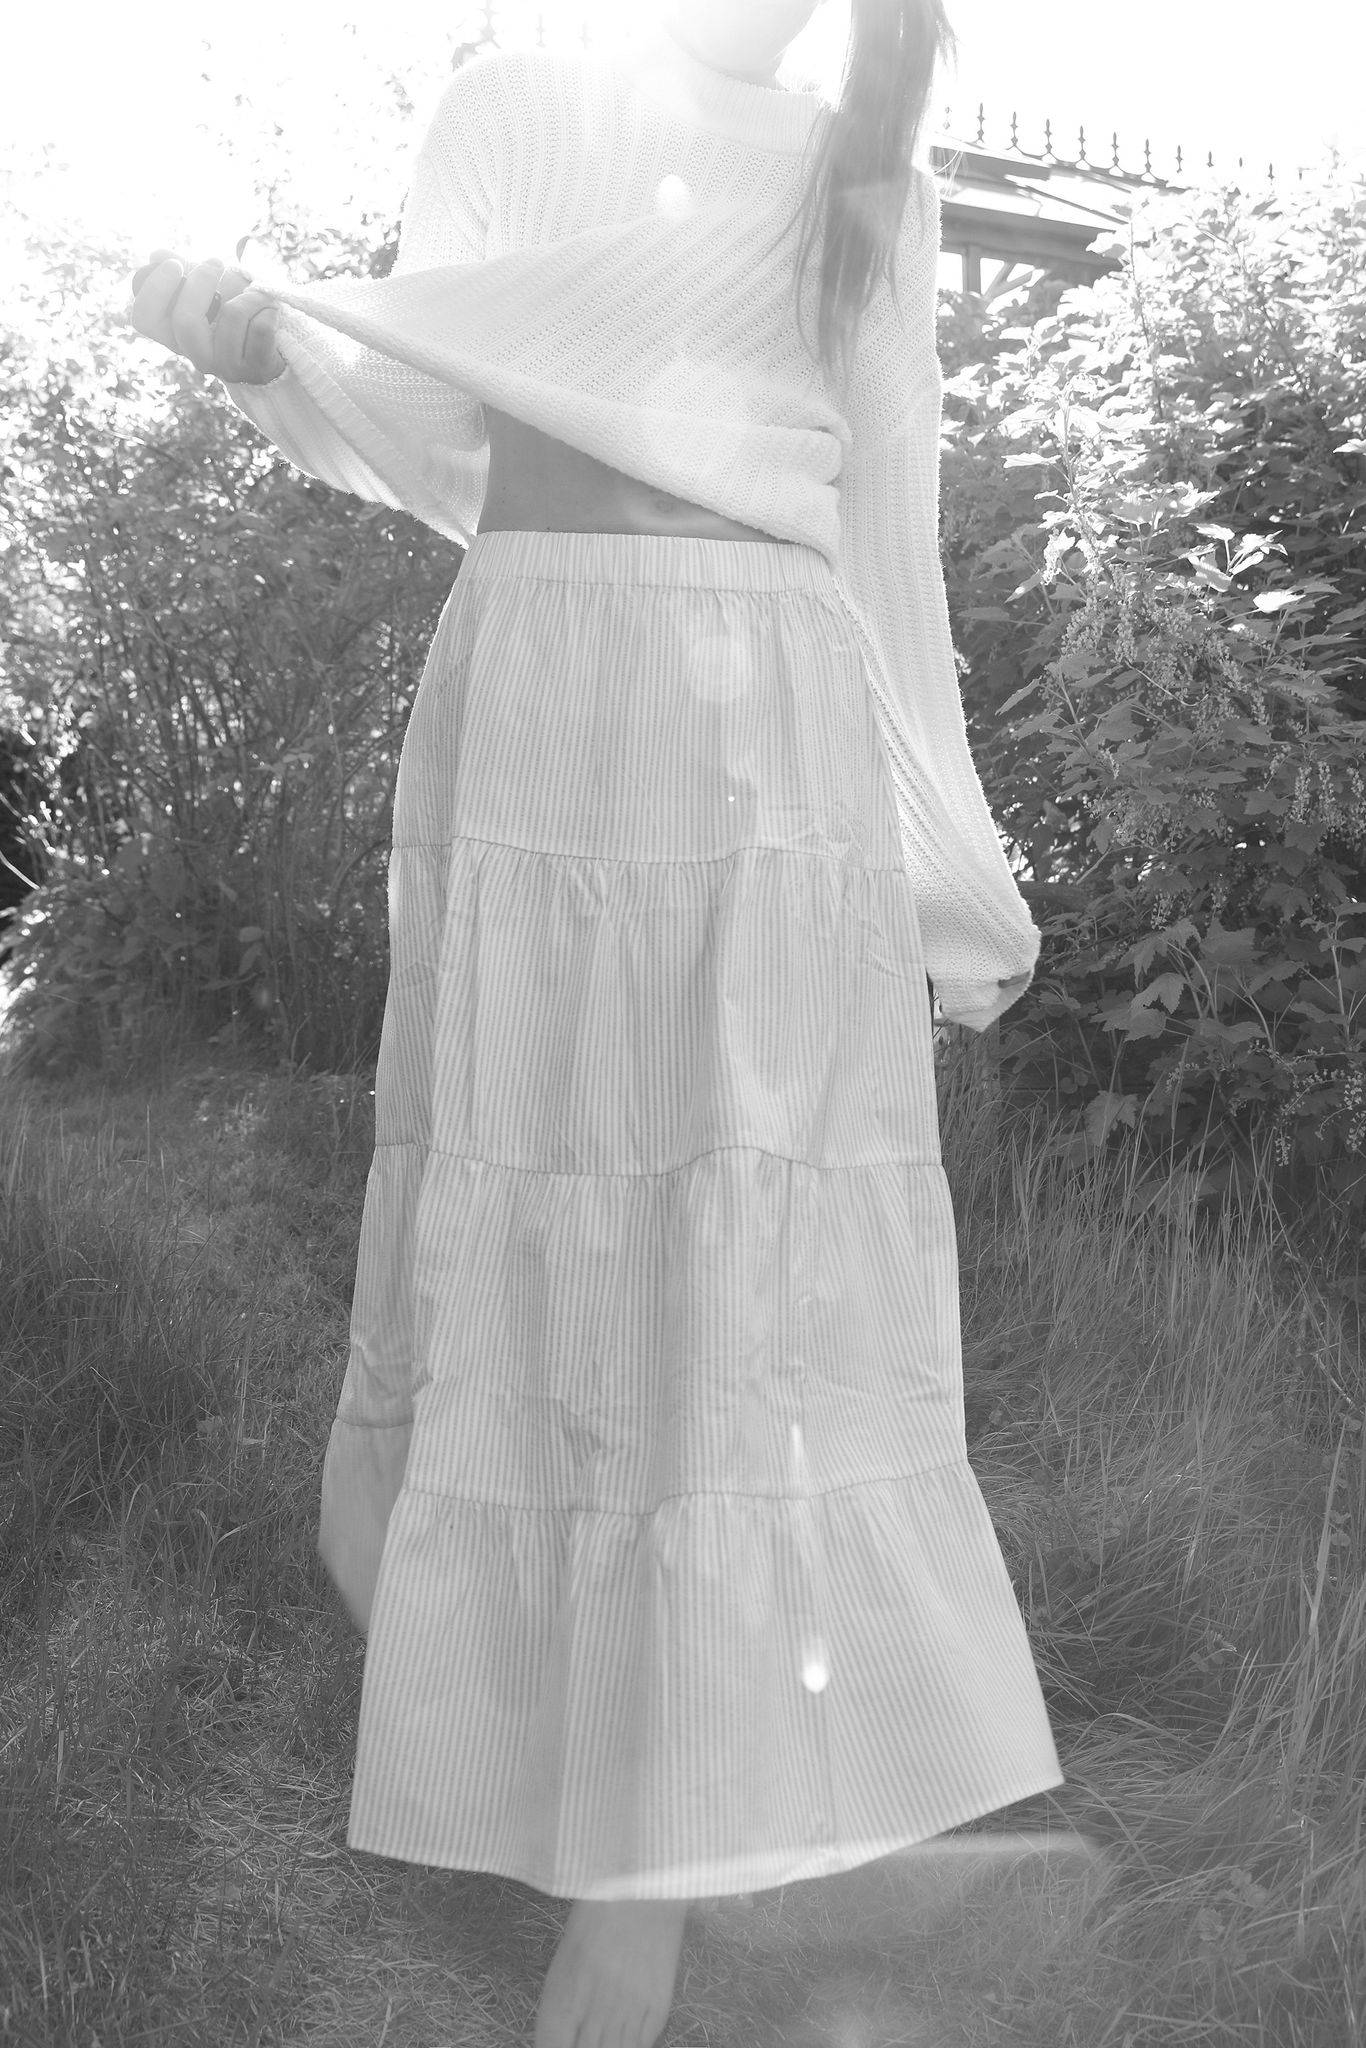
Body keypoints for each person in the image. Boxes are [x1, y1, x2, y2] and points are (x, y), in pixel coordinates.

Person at [129, 4, 1063, 2043]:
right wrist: (264, 351)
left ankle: (648, 1861)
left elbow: (886, 541)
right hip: (545, 689)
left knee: (731, 1277)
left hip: (772, 739)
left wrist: (942, 876)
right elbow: (444, 428)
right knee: (528, 1216)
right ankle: (567, 1736)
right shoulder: (518, 98)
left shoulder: (866, 178)